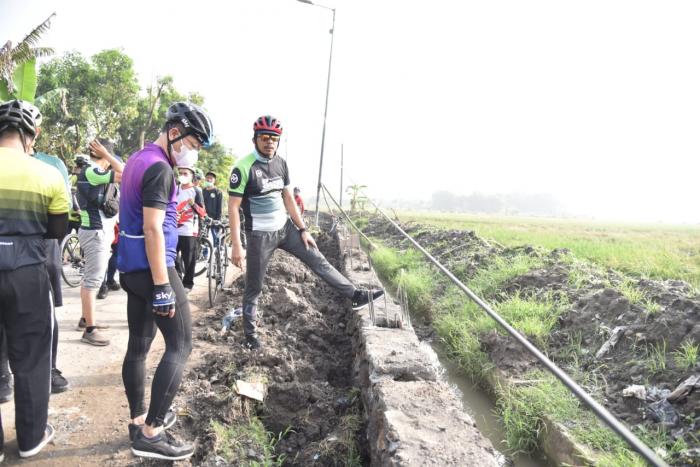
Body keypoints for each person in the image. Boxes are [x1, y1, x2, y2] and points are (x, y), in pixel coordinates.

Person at [228, 115, 384, 350]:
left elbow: (288, 198)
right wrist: (237, 245)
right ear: (255, 139)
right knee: (254, 287)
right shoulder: (243, 167)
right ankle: (251, 337)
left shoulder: (281, 164)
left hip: (286, 228)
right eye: (264, 138)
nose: (269, 142)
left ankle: (355, 296)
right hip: (260, 235)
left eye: (274, 139)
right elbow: (233, 207)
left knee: (318, 259)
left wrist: (303, 229)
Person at [118, 101, 213, 460]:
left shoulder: (137, 159)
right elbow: (153, 228)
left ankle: (137, 420)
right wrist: (162, 286)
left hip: (131, 269)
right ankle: (152, 432)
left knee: (139, 346)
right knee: (181, 344)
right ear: (174, 133)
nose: (194, 152)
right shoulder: (160, 169)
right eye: (194, 143)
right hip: (153, 268)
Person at [0, 99, 70, 458]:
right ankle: (30, 438)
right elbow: (57, 231)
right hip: (27, 273)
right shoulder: (49, 174)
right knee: (31, 357)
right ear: (31, 135)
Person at [76, 139, 124, 346]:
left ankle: (86, 318)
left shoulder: (91, 171)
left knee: (90, 278)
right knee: (92, 281)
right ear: (104, 155)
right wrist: (108, 155)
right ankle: (90, 330)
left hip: (95, 232)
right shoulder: (93, 171)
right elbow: (126, 173)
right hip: (95, 233)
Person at [175, 166, 206, 292]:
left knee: (189, 259)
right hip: (173, 229)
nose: (182, 175)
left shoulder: (196, 191)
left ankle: (188, 284)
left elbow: (203, 212)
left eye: (185, 173)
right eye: (180, 173)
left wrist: (193, 204)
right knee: (172, 257)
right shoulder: (175, 188)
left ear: (192, 176)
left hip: (189, 231)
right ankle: (177, 281)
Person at [202, 171, 224, 250]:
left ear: (214, 180)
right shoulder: (203, 191)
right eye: (207, 178)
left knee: (215, 237)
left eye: (211, 178)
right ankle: (204, 254)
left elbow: (220, 207)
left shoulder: (218, 192)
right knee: (203, 237)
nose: (209, 179)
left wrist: (218, 219)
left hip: (214, 219)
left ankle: (217, 252)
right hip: (204, 218)